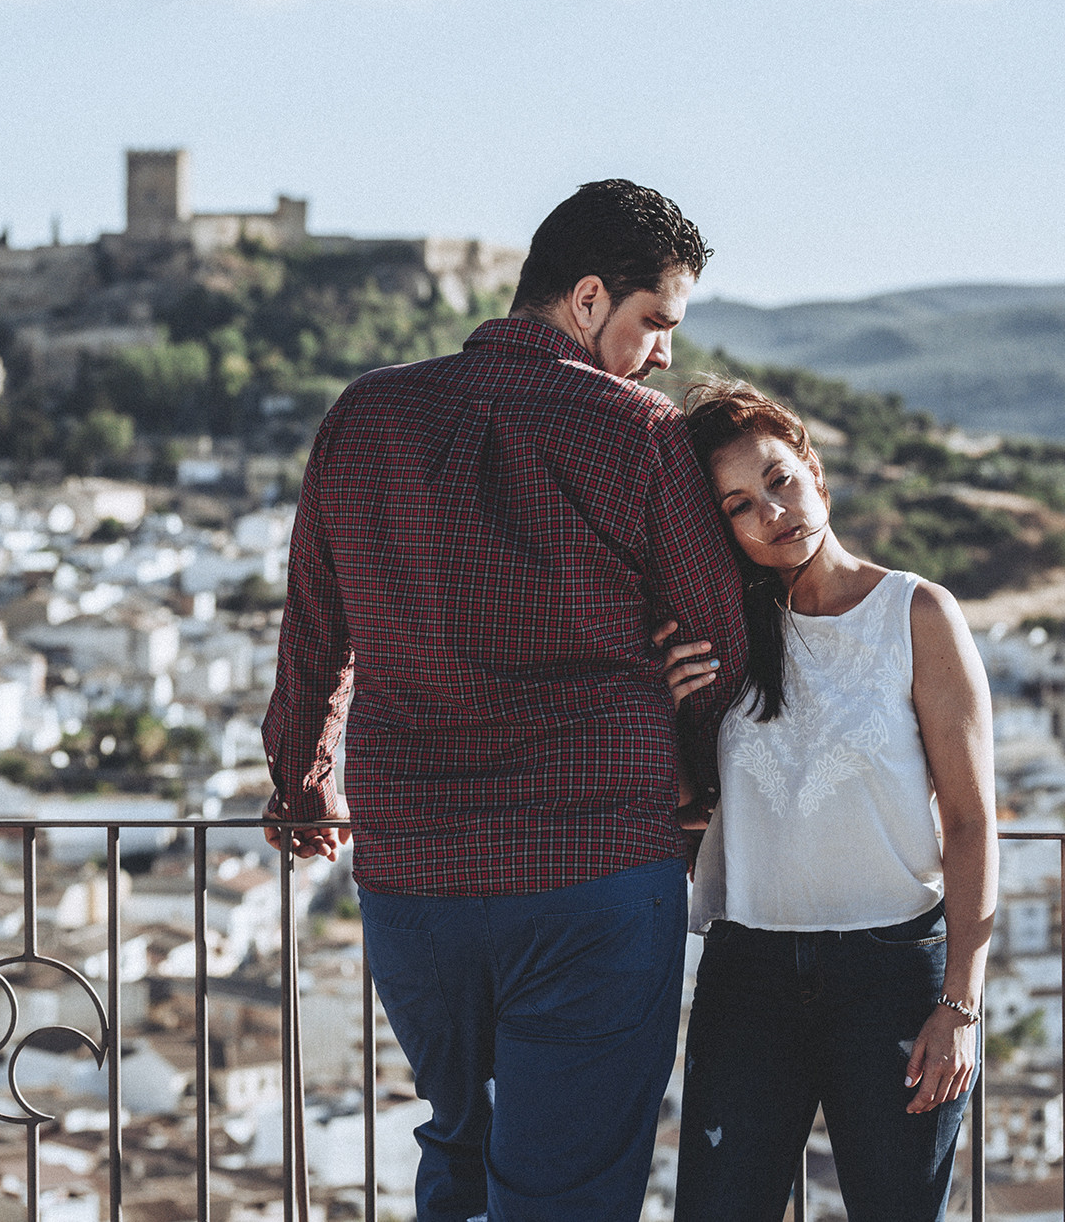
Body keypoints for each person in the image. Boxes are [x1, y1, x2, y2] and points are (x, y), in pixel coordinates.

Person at [262, 179, 749, 1220]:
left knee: (458, 1143)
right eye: (653, 320)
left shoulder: (363, 415)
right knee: (567, 1179)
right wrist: (693, 778)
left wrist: (301, 784)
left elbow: (312, 629)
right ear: (584, 300)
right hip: (594, 870)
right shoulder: (640, 435)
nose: (663, 352)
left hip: (411, 872)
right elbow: (723, 648)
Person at [656, 381, 996, 1221]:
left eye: (778, 479)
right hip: (749, 974)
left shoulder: (917, 613)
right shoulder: (726, 633)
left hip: (894, 977)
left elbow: (970, 819)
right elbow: (690, 810)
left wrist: (961, 1001)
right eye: (739, 504)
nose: (772, 511)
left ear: (813, 469)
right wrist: (666, 712)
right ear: (724, 529)